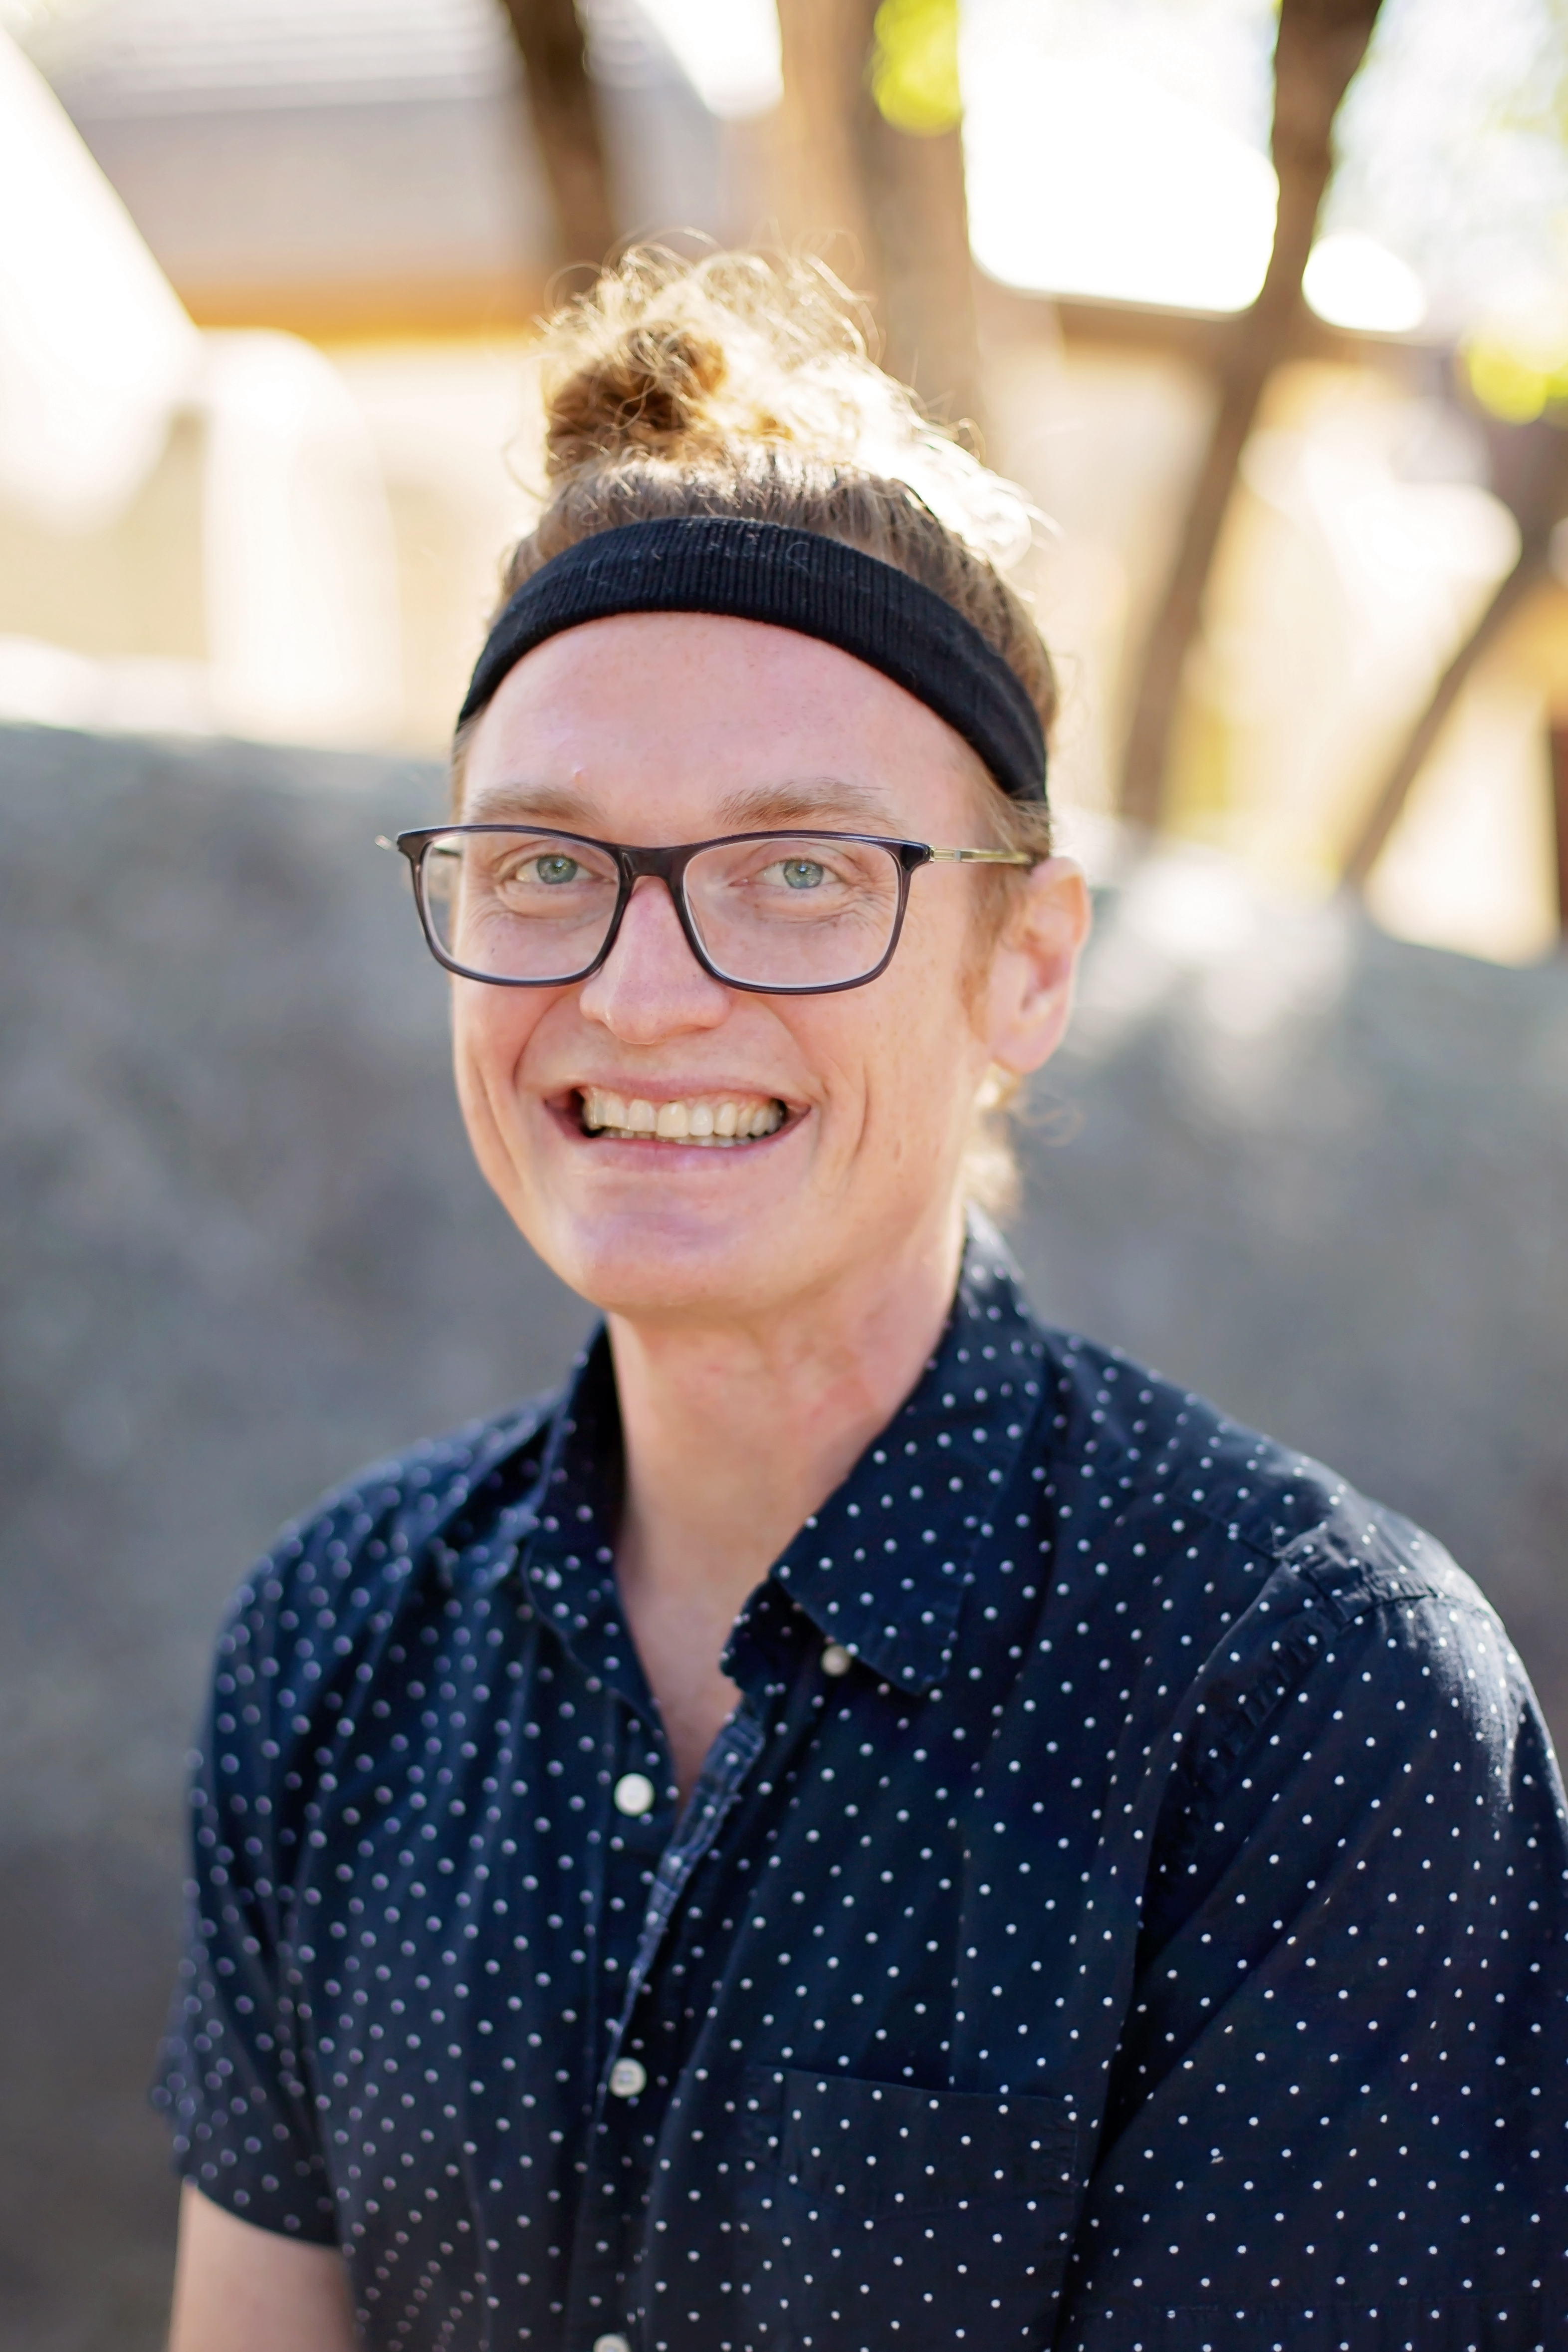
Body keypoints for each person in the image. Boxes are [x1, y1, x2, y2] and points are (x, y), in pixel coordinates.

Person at [157, 251, 1566, 2352]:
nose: (637, 991)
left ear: (1027, 965)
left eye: (799, 870)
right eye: (544, 864)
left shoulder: (1312, 1706)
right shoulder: (334, 1646)